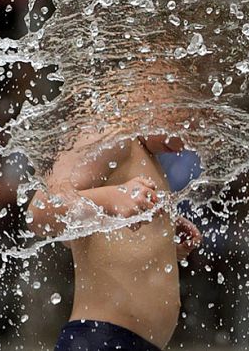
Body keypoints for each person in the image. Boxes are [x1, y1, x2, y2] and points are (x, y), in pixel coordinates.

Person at [27, 128, 202, 351]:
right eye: (183, 118)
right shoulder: (107, 133)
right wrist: (111, 198)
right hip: (101, 338)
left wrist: (161, 238)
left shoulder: (145, 154)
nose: (188, 139)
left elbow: (77, 233)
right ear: (150, 94)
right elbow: (40, 213)